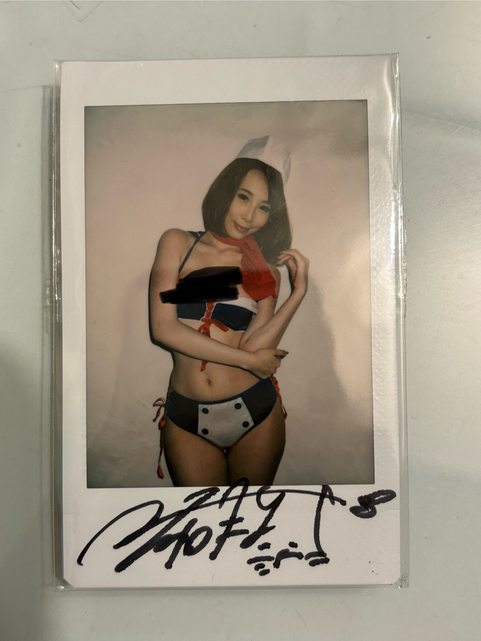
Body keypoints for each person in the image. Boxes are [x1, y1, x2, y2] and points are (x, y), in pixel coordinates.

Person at [149, 136, 309, 486]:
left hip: (255, 408)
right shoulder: (177, 242)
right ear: (226, 191)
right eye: (244, 197)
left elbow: (255, 347)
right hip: (187, 414)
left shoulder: (264, 270)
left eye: (264, 207)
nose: (250, 217)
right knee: (202, 514)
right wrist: (249, 361)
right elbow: (164, 329)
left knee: (249, 514)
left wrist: (297, 294)